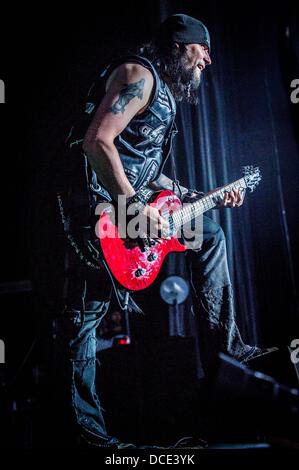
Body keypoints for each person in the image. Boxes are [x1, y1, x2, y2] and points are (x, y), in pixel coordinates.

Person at [55, 14, 273, 448]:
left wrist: (198, 194)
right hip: (96, 213)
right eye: (204, 49)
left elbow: (142, 166)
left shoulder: (163, 97)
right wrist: (131, 205)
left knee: (208, 233)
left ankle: (226, 350)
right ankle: (92, 444)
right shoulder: (138, 74)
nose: (208, 60)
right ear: (181, 45)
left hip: (126, 210)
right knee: (84, 319)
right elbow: (98, 141)